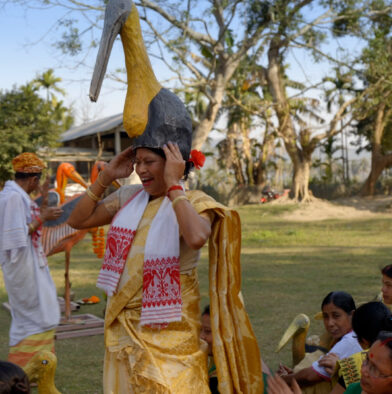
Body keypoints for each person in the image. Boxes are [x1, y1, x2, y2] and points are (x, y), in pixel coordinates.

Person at [67, 138, 262, 392]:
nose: (141, 169)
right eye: (138, 162)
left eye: (149, 162)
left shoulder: (195, 202)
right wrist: (107, 177)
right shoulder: (128, 197)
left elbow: (196, 237)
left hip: (171, 330)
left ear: (174, 163)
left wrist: (173, 185)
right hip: (125, 326)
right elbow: (77, 220)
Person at [0, 152, 63, 367]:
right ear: (33, 179)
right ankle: (26, 367)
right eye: (38, 181)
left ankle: (38, 365)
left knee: (43, 309)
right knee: (33, 314)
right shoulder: (14, 198)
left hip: (29, 263)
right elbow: (16, 237)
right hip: (22, 266)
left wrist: (42, 204)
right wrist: (43, 218)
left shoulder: (15, 195)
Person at [279, 292, 361, 392]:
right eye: (326, 317)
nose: (330, 323)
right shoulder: (355, 335)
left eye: (336, 316)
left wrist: (279, 380)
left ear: (352, 315)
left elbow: (308, 377)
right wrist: (293, 374)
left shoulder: (350, 341)